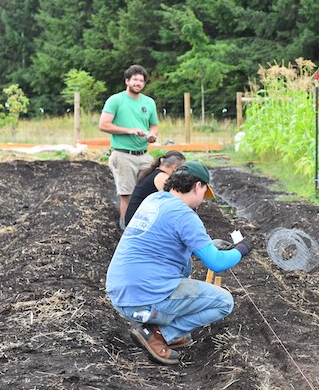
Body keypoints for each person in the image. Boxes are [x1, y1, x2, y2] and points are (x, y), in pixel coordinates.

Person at [105, 161, 254, 365]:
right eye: (204, 193)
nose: (202, 201)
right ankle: (159, 334)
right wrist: (241, 249)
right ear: (197, 186)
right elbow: (217, 263)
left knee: (185, 270)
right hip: (142, 297)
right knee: (224, 301)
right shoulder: (184, 215)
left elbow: (168, 242)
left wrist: (209, 244)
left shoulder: (154, 200)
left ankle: (162, 328)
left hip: (120, 292)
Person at [99, 64, 159, 229]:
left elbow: (154, 125)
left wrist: (153, 135)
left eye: (141, 80)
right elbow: (104, 125)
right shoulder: (116, 100)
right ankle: (126, 228)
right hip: (123, 154)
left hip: (144, 155)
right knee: (128, 195)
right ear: (127, 81)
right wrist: (129, 130)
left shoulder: (149, 102)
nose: (138, 83)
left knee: (149, 193)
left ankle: (145, 227)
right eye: (135, 80)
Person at [124, 150, 186, 225]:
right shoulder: (162, 177)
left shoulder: (154, 173)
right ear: (175, 168)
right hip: (137, 221)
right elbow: (178, 200)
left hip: (136, 219)